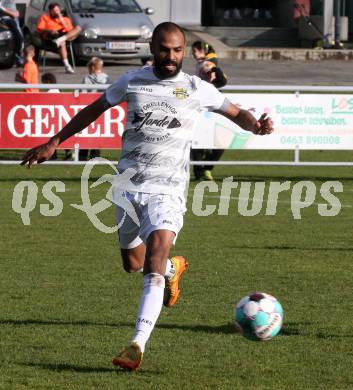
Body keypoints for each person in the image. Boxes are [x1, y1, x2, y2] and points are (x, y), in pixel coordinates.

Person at [21, 22, 274, 371]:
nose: (170, 57)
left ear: (183, 51)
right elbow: (93, 110)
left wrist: (255, 125)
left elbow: (236, 113)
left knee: (153, 258)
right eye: (164, 49)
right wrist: (54, 142)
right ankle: (173, 269)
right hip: (127, 189)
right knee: (133, 264)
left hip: (168, 191)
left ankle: (137, 343)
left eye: (177, 50)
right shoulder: (132, 81)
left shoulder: (196, 88)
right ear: (152, 48)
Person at [191, 40, 228, 181]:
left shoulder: (206, 63)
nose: (193, 54)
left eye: (195, 51)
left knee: (219, 141)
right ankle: (201, 171)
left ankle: (205, 168)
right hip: (202, 106)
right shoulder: (202, 62)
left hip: (210, 106)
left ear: (203, 51)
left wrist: (213, 72)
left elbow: (214, 71)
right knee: (200, 140)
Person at [79, 56, 111, 160]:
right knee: (99, 131)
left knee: (85, 131)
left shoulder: (86, 79)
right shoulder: (108, 80)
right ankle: (95, 154)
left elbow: (82, 95)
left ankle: (82, 154)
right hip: (102, 109)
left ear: (92, 67)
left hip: (88, 109)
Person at [36, 2, 81, 74]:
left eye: (57, 10)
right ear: (50, 11)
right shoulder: (45, 17)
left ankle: (60, 39)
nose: (56, 12)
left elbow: (69, 30)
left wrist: (61, 19)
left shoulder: (65, 19)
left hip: (64, 35)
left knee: (78, 28)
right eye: (54, 11)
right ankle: (67, 66)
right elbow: (39, 29)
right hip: (51, 36)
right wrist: (49, 30)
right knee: (62, 43)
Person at [0, 0, 24, 66]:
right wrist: (12, 13)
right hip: (6, 18)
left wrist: (16, 12)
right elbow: (1, 7)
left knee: (19, 37)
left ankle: (18, 56)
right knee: (19, 37)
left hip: (14, 19)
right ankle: (18, 56)